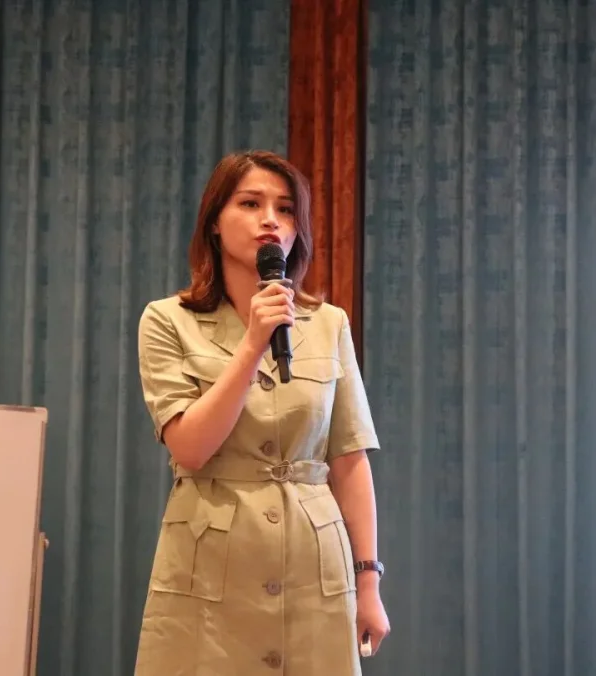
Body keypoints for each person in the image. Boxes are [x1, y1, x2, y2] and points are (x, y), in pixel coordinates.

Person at [134, 150, 390, 675]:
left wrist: (369, 582)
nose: (270, 219)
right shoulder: (167, 320)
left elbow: (349, 459)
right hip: (209, 568)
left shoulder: (329, 323)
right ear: (214, 222)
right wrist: (252, 345)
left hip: (315, 565)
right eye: (250, 203)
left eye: (286, 209)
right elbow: (190, 447)